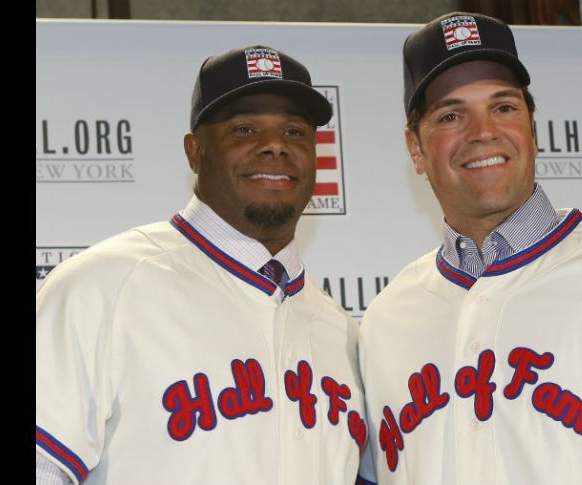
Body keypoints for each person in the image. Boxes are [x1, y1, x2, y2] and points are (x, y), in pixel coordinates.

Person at [358, 12, 582, 485]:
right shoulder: (387, 317)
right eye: (451, 114)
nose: (483, 131)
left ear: (532, 125)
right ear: (415, 148)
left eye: (504, 106)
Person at [36, 45, 368, 485]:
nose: (274, 146)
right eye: (245, 128)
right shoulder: (102, 287)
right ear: (195, 152)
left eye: (294, 132)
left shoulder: (340, 331)